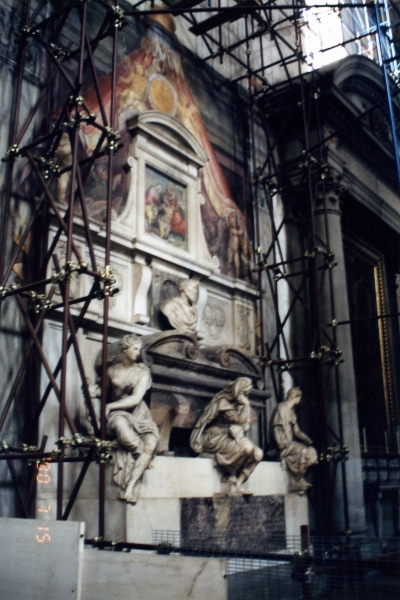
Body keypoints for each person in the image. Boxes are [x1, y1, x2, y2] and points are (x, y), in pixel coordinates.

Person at [105, 334, 159, 504]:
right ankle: (143, 457)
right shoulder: (111, 370)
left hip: (138, 414)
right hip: (118, 413)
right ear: (125, 349)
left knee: (151, 442)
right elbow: (104, 392)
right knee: (122, 429)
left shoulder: (142, 372)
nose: (138, 353)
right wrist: (92, 392)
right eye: (135, 349)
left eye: (139, 349)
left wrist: (109, 406)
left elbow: (136, 399)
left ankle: (130, 487)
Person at [190, 377, 263, 495]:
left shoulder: (241, 404)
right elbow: (207, 420)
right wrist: (246, 405)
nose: (246, 396)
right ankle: (230, 472)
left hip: (232, 436)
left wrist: (241, 427)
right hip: (216, 436)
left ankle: (238, 484)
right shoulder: (223, 402)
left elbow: (245, 424)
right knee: (247, 448)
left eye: (247, 394)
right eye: (244, 393)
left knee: (258, 454)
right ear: (237, 391)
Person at [270, 387, 318, 491]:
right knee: (303, 451)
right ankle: (297, 479)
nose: (300, 400)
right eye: (299, 397)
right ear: (295, 397)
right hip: (283, 444)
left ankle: (298, 478)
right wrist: (280, 444)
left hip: (290, 444)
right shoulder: (281, 408)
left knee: (311, 452)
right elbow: (276, 427)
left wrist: (308, 440)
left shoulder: (292, 413)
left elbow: (297, 431)